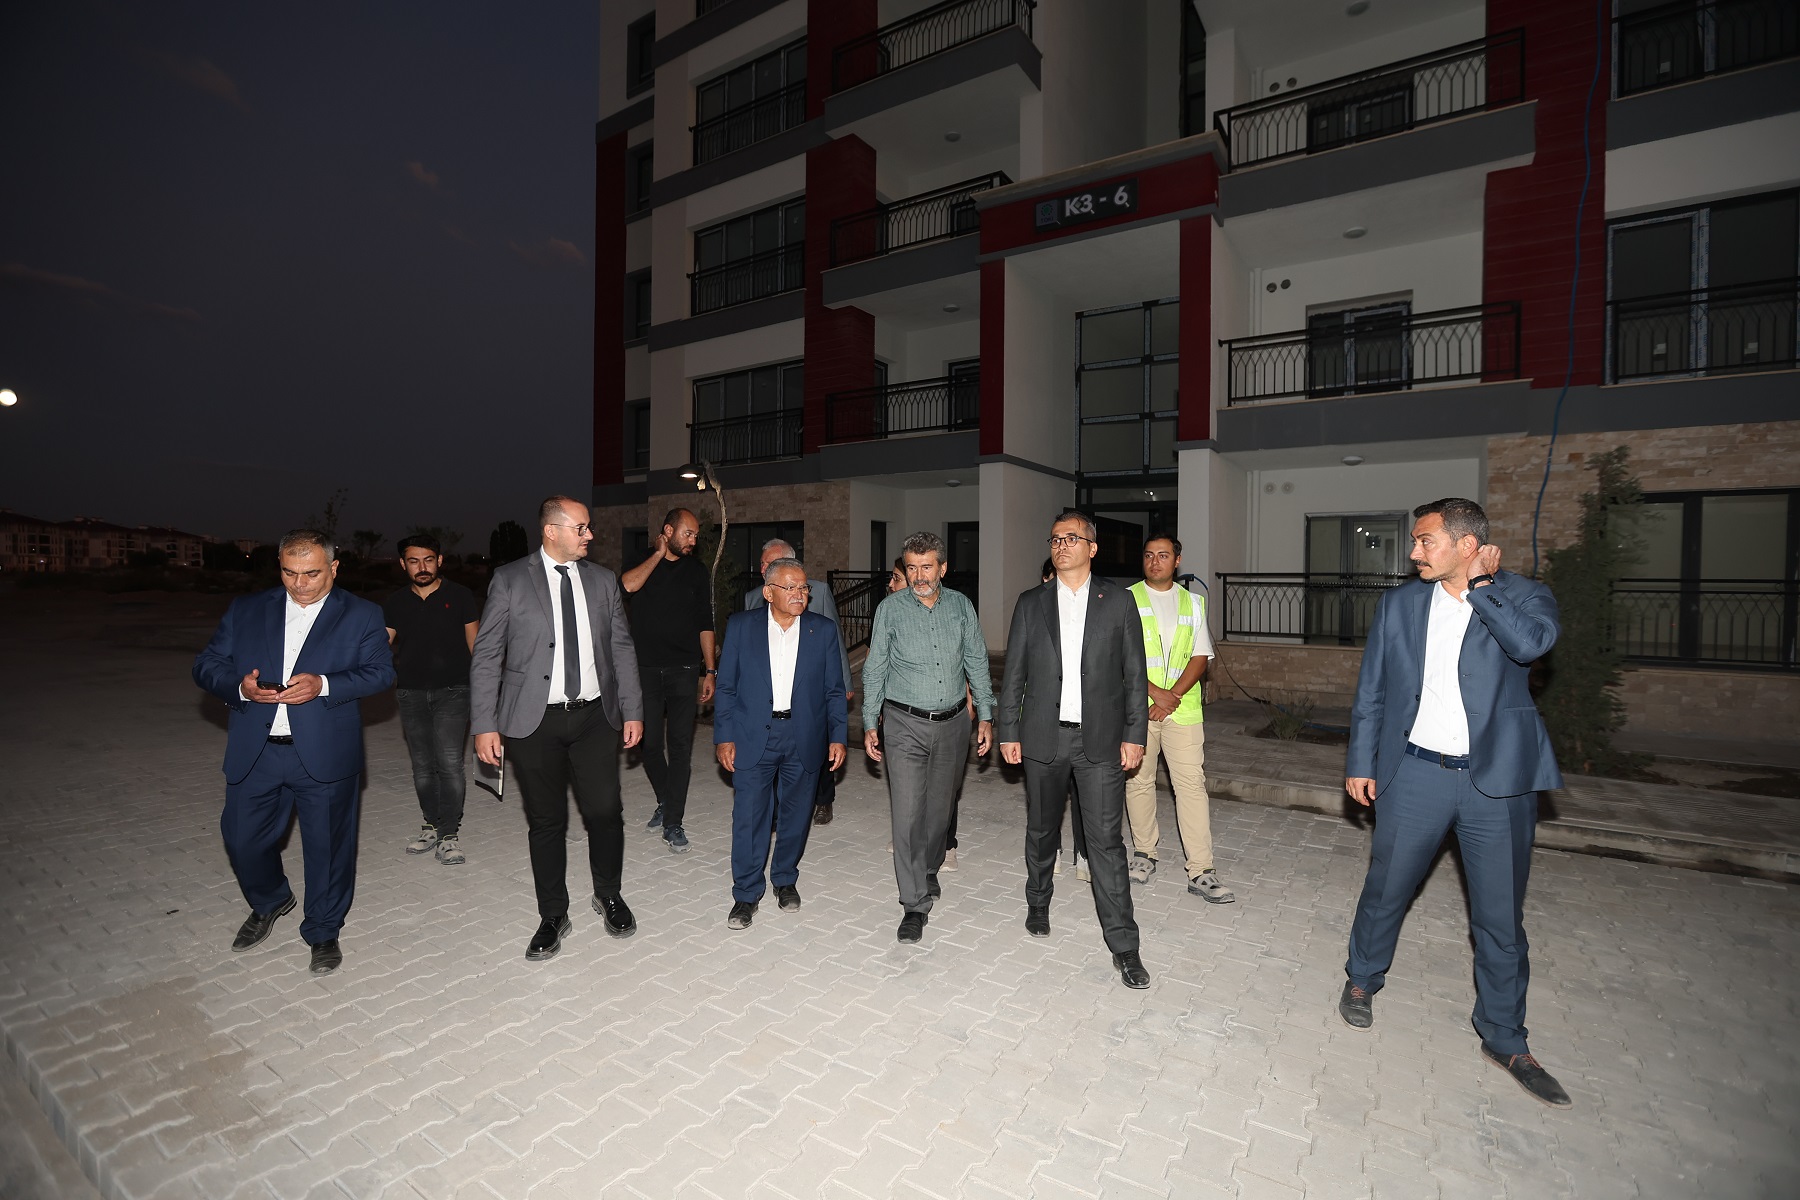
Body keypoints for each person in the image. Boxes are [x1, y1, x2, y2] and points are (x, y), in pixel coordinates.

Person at [1340, 498, 1570, 1107]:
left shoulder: (1524, 595)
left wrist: (1483, 588)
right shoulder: (1400, 605)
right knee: (1387, 887)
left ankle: (1504, 1036)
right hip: (1415, 773)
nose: (1413, 552)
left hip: (1496, 783)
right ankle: (1362, 979)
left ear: (1467, 545)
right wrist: (1361, 761)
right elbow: (1373, 689)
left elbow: (1530, 646)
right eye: (1416, 541)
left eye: (1426, 541)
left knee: (1500, 917)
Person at [192, 529, 395, 976]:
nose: (300, 584)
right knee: (241, 839)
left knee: (328, 848)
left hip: (325, 751)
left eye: (311, 574)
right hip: (257, 750)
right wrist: (239, 687)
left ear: (334, 568)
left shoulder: (362, 614)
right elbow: (206, 664)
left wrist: (325, 684)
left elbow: (381, 673)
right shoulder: (247, 609)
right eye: (289, 573)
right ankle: (270, 899)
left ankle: (322, 930)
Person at [470, 496, 644, 962]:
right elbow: (487, 654)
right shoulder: (510, 579)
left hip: (595, 717)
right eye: (581, 528)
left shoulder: (603, 580)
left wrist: (633, 709)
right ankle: (553, 914)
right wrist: (484, 723)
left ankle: (608, 894)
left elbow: (622, 648)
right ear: (552, 531)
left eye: (589, 527)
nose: (590, 535)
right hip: (533, 721)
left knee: (605, 810)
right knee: (546, 820)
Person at [997, 510, 1151, 989]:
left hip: (1099, 741)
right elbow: (1014, 673)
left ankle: (1124, 946)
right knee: (1042, 830)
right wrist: (1008, 730)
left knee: (1106, 842)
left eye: (1071, 538)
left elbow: (1135, 674)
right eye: (1055, 538)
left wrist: (1135, 735)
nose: (1061, 545)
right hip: (1043, 737)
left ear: (1092, 548)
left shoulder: (1119, 602)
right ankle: (1038, 901)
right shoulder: (1031, 603)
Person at [861, 531, 994, 945]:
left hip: (954, 724)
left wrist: (986, 714)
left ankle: (929, 867)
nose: (919, 576)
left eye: (927, 567)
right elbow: (875, 667)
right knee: (907, 815)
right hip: (904, 724)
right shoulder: (890, 610)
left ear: (943, 568)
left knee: (939, 814)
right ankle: (914, 903)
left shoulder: (961, 607)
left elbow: (977, 660)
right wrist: (870, 720)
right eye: (912, 568)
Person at [715, 558, 847, 929]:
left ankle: (785, 879)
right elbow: (726, 687)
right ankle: (746, 894)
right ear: (769, 592)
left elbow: (834, 691)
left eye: (804, 587)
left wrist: (838, 736)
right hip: (753, 734)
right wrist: (724, 736)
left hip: (804, 734)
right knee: (749, 816)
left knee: (796, 813)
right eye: (790, 587)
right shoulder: (742, 626)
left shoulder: (821, 630)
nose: (799, 594)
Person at [1124, 535, 1235, 903]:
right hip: (1137, 707)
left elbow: (1201, 657)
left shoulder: (1193, 602)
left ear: (1177, 561)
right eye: (1149, 555)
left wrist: (1169, 698)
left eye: (1163, 555)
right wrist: (1156, 694)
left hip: (1182, 711)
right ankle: (1144, 854)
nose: (1155, 561)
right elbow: (1117, 658)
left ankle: (1201, 870)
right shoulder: (1125, 599)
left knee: (1190, 787)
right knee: (1138, 781)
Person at [621, 508, 716, 852]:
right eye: (688, 533)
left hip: (684, 670)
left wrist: (710, 670)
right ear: (668, 530)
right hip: (645, 669)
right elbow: (628, 586)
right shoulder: (643, 559)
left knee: (680, 748)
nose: (693, 541)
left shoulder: (697, 571)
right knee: (648, 746)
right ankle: (666, 799)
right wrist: (658, 555)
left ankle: (673, 821)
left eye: (695, 535)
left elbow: (705, 622)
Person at [383, 533, 480, 866]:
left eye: (428, 560)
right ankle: (431, 825)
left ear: (439, 561)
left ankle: (449, 835)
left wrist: (488, 692)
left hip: (454, 691)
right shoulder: (395, 602)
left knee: (449, 762)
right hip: (410, 692)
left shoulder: (460, 595)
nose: (421, 567)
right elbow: (380, 645)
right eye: (413, 561)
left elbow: (477, 647)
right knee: (423, 767)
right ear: (403, 564)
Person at [744, 538, 851, 826]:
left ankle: (823, 799)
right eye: (763, 563)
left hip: (812, 690)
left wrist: (844, 683)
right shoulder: (752, 597)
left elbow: (835, 640)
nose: (764, 568)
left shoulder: (818, 591)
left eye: (771, 563)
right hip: (772, 699)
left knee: (818, 747)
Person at [1045, 555, 1089, 882]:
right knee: (1049, 799)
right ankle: (1054, 851)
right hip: (1047, 724)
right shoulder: (1035, 611)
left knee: (1083, 796)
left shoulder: (1086, 611)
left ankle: (1084, 854)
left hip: (1084, 724)